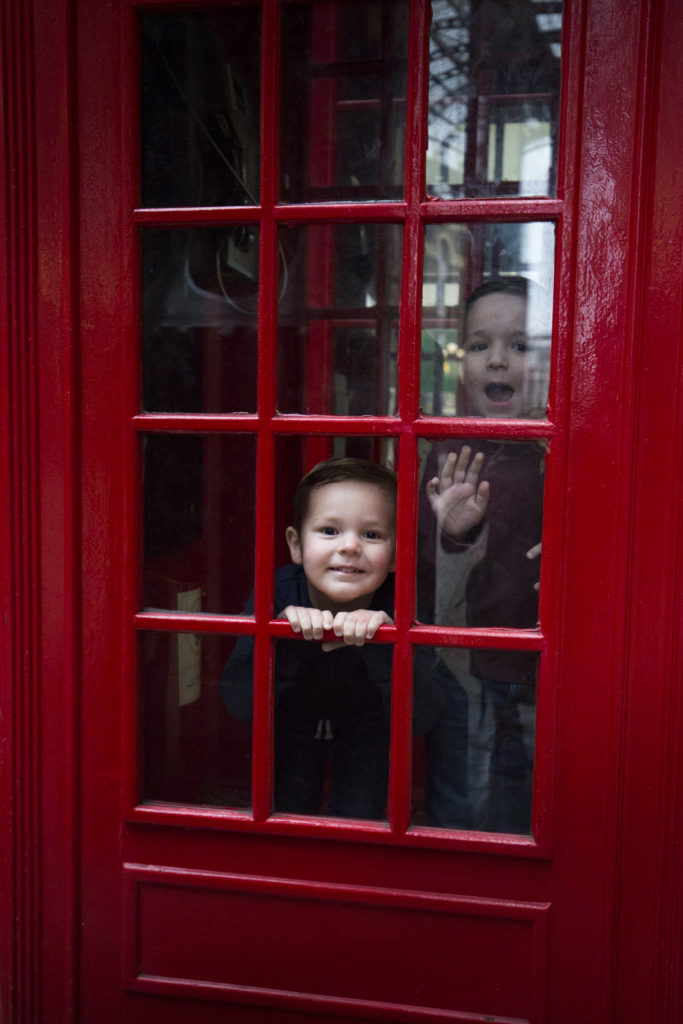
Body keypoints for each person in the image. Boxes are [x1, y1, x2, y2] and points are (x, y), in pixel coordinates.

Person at [221, 457, 452, 820]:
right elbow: (237, 703)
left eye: (372, 534)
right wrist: (282, 639)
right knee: (287, 805)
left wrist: (386, 641)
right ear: (296, 545)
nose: (349, 546)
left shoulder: (402, 601)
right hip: (291, 722)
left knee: (361, 813)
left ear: (395, 554)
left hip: (370, 723)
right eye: (329, 530)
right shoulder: (277, 592)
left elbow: (425, 715)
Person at [418, 276, 546, 833]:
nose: (496, 361)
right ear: (460, 361)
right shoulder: (446, 451)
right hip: (463, 672)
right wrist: (454, 532)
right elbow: (430, 584)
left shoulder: (574, 450)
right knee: (461, 807)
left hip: (548, 673)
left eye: (519, 346)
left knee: (531, 809)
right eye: (479, 345)